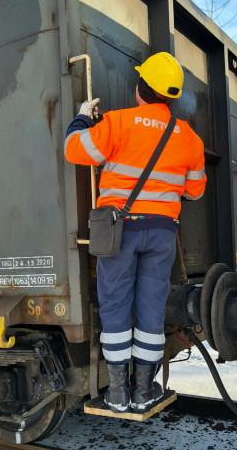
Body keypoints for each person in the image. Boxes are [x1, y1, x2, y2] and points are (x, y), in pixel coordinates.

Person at [64, 52, 206, 413]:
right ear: (171, 97)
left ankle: (116, 392)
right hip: (161, 234)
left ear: (140, 88)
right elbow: (195, 191)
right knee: (151, 307)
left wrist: (82, 117)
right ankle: (143, 390)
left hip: (119, 231)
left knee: (115, 306)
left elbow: (73, 150)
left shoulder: (118, 123)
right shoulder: (189, 138)